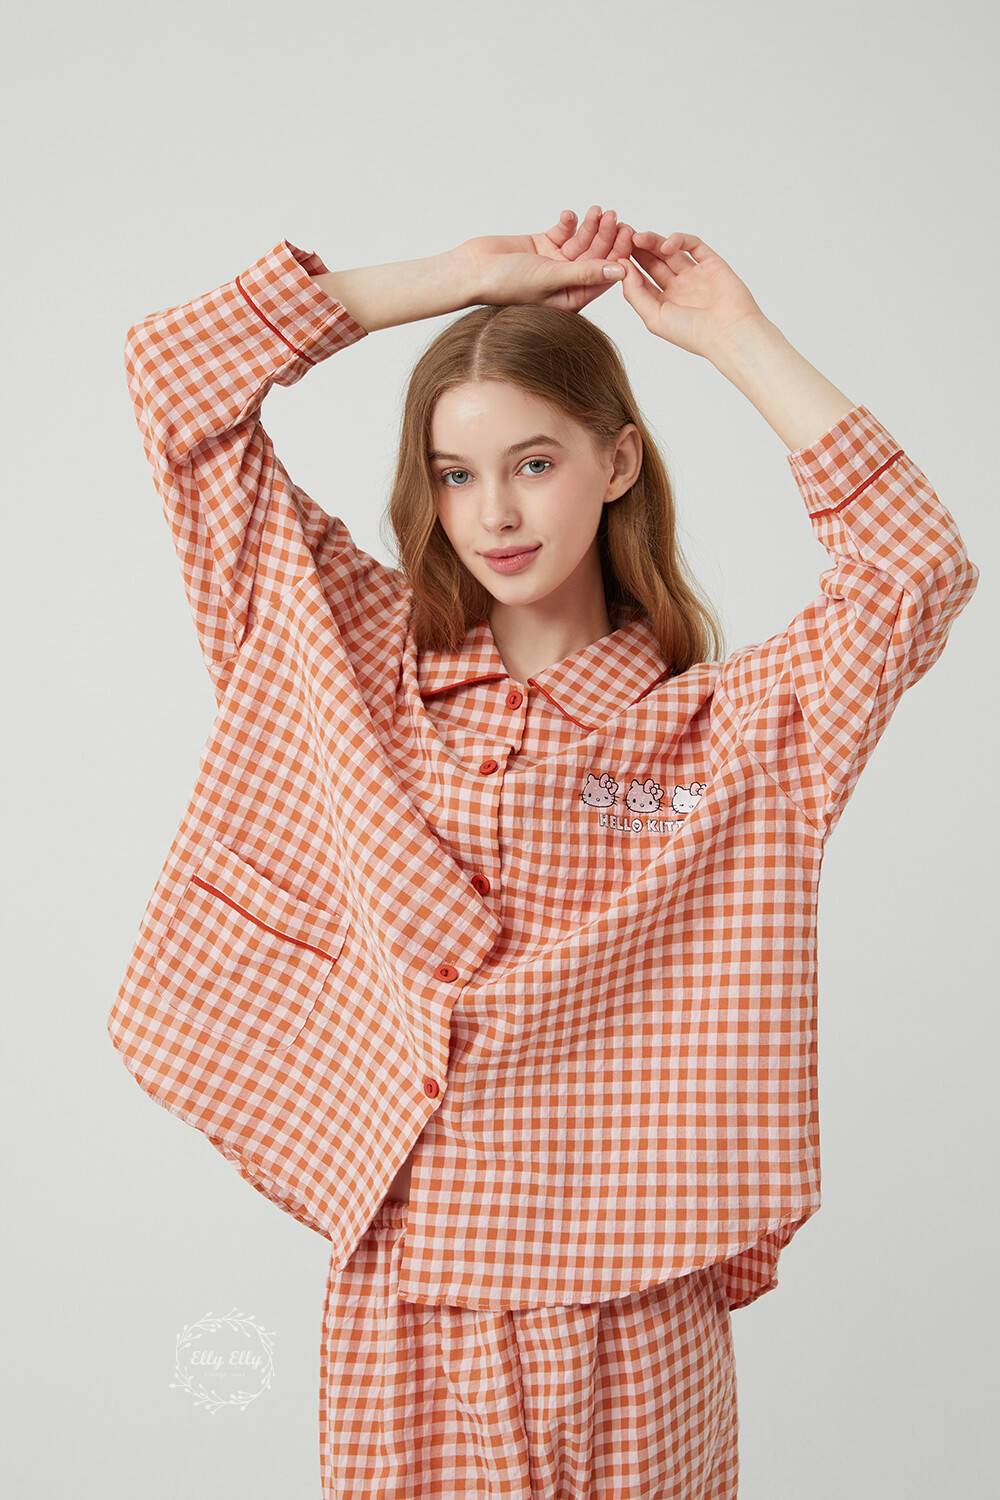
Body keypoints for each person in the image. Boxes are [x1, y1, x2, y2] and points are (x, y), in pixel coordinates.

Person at [107, 206, 979, 1499]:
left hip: (636, 1308)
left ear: (616, 461)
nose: (496, 512)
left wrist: (733, 334)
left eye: (533, 462)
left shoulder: (729, 741)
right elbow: (178, 383)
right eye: (456, 474)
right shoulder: (334, 650)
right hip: (407, 1305)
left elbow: (913, 570)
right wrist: (453, 281)